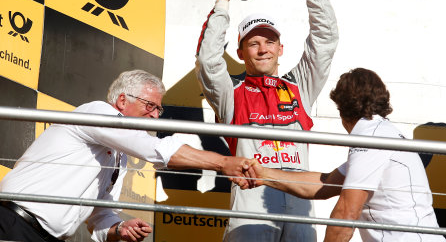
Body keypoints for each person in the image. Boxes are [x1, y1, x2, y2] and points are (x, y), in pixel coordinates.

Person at [195, 0, 339, 242]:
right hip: (251, 211)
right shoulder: (229, 94)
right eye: (254, 43)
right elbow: (207, 62)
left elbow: (325, 39)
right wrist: (222, 1)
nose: (263, 49)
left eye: (269, 41)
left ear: (280, 48)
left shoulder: (300, 85)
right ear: (240, 53)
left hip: (300, 209)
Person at [0, 69, 255, 242]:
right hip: (13, 223)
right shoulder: (97, 111)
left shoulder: (120, 155)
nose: (156, 115)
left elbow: (101, 214)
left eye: (159, 109)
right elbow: (154, 149)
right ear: (122, 101)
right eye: (150, 106)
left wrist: (120, 228)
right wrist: (223, 162)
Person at [246, 68, 446, 242]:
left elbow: (346, 214)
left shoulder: (371, 138)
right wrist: (264, 174)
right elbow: (325, 183)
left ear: (342, 110)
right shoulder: (381, 132)